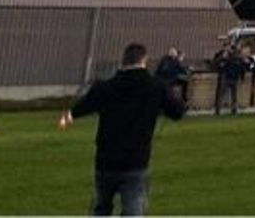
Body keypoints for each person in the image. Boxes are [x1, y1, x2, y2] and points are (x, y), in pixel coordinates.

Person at [71, 42, 187, 216]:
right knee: (133, 209)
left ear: (123, 61)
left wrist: (66, 119)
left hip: (105, 161)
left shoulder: (104, 88)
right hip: (136, 162)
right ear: (144, 60)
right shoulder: (156, 87)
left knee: (101, 208)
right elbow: (177, 112)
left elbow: (78, 110)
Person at [215, 46, 249, 116]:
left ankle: (219, 109)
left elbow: (221, 65)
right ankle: (232, 109)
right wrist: (242, 78)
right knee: (233, 96)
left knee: (224, 95)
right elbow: (243, 69)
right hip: (232, 79)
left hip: (228, 78)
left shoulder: (230, 58)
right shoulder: (237, 60)